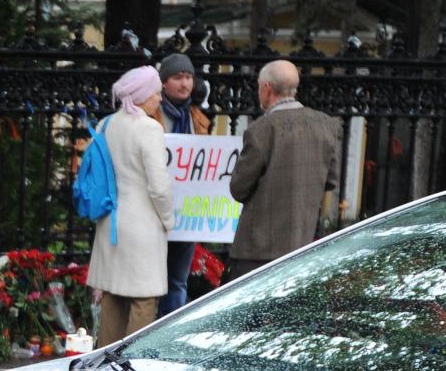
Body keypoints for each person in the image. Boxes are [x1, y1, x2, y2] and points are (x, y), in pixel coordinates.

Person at [226, 59, 340, 282]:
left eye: (259, 87)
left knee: (252, 316)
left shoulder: (261, 130)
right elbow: (331, 180)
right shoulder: (326, 125)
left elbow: (238, 188)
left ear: (267, 88)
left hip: (256, 249)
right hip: (301, 241)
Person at [90, 65, 176, 347]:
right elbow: (159, 187)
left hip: (110, 223)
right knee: (144, 299)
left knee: (114, 296)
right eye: (157, 93)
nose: (160, 99)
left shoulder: (106, 124)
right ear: (142, 95)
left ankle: (101, 363)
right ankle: (133, 363)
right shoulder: (149, 128)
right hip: (142, 228)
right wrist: (168, 220)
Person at [154, 53, 212, 317]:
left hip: (186, 211)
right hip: (155, 207)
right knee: (150, 279)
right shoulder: (151, 114)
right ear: (164, 82)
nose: (185, 83)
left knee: (177, 280)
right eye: (178, 77)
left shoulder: (198, 118)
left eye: (188, 77)